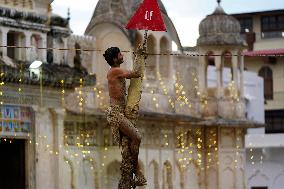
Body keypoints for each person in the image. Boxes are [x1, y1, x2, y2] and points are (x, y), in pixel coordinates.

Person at [104, 47, 147, 186]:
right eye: (120, 54)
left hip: (122, 112)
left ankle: (134, 173)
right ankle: (137, 172)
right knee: (137, 137)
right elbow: (137, 73)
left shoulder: (116, 71)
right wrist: (139, 56)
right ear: (115, 59)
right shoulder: (115, 71)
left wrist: (139, 56)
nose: (122, 55)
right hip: (116, 114)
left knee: (129, 147)